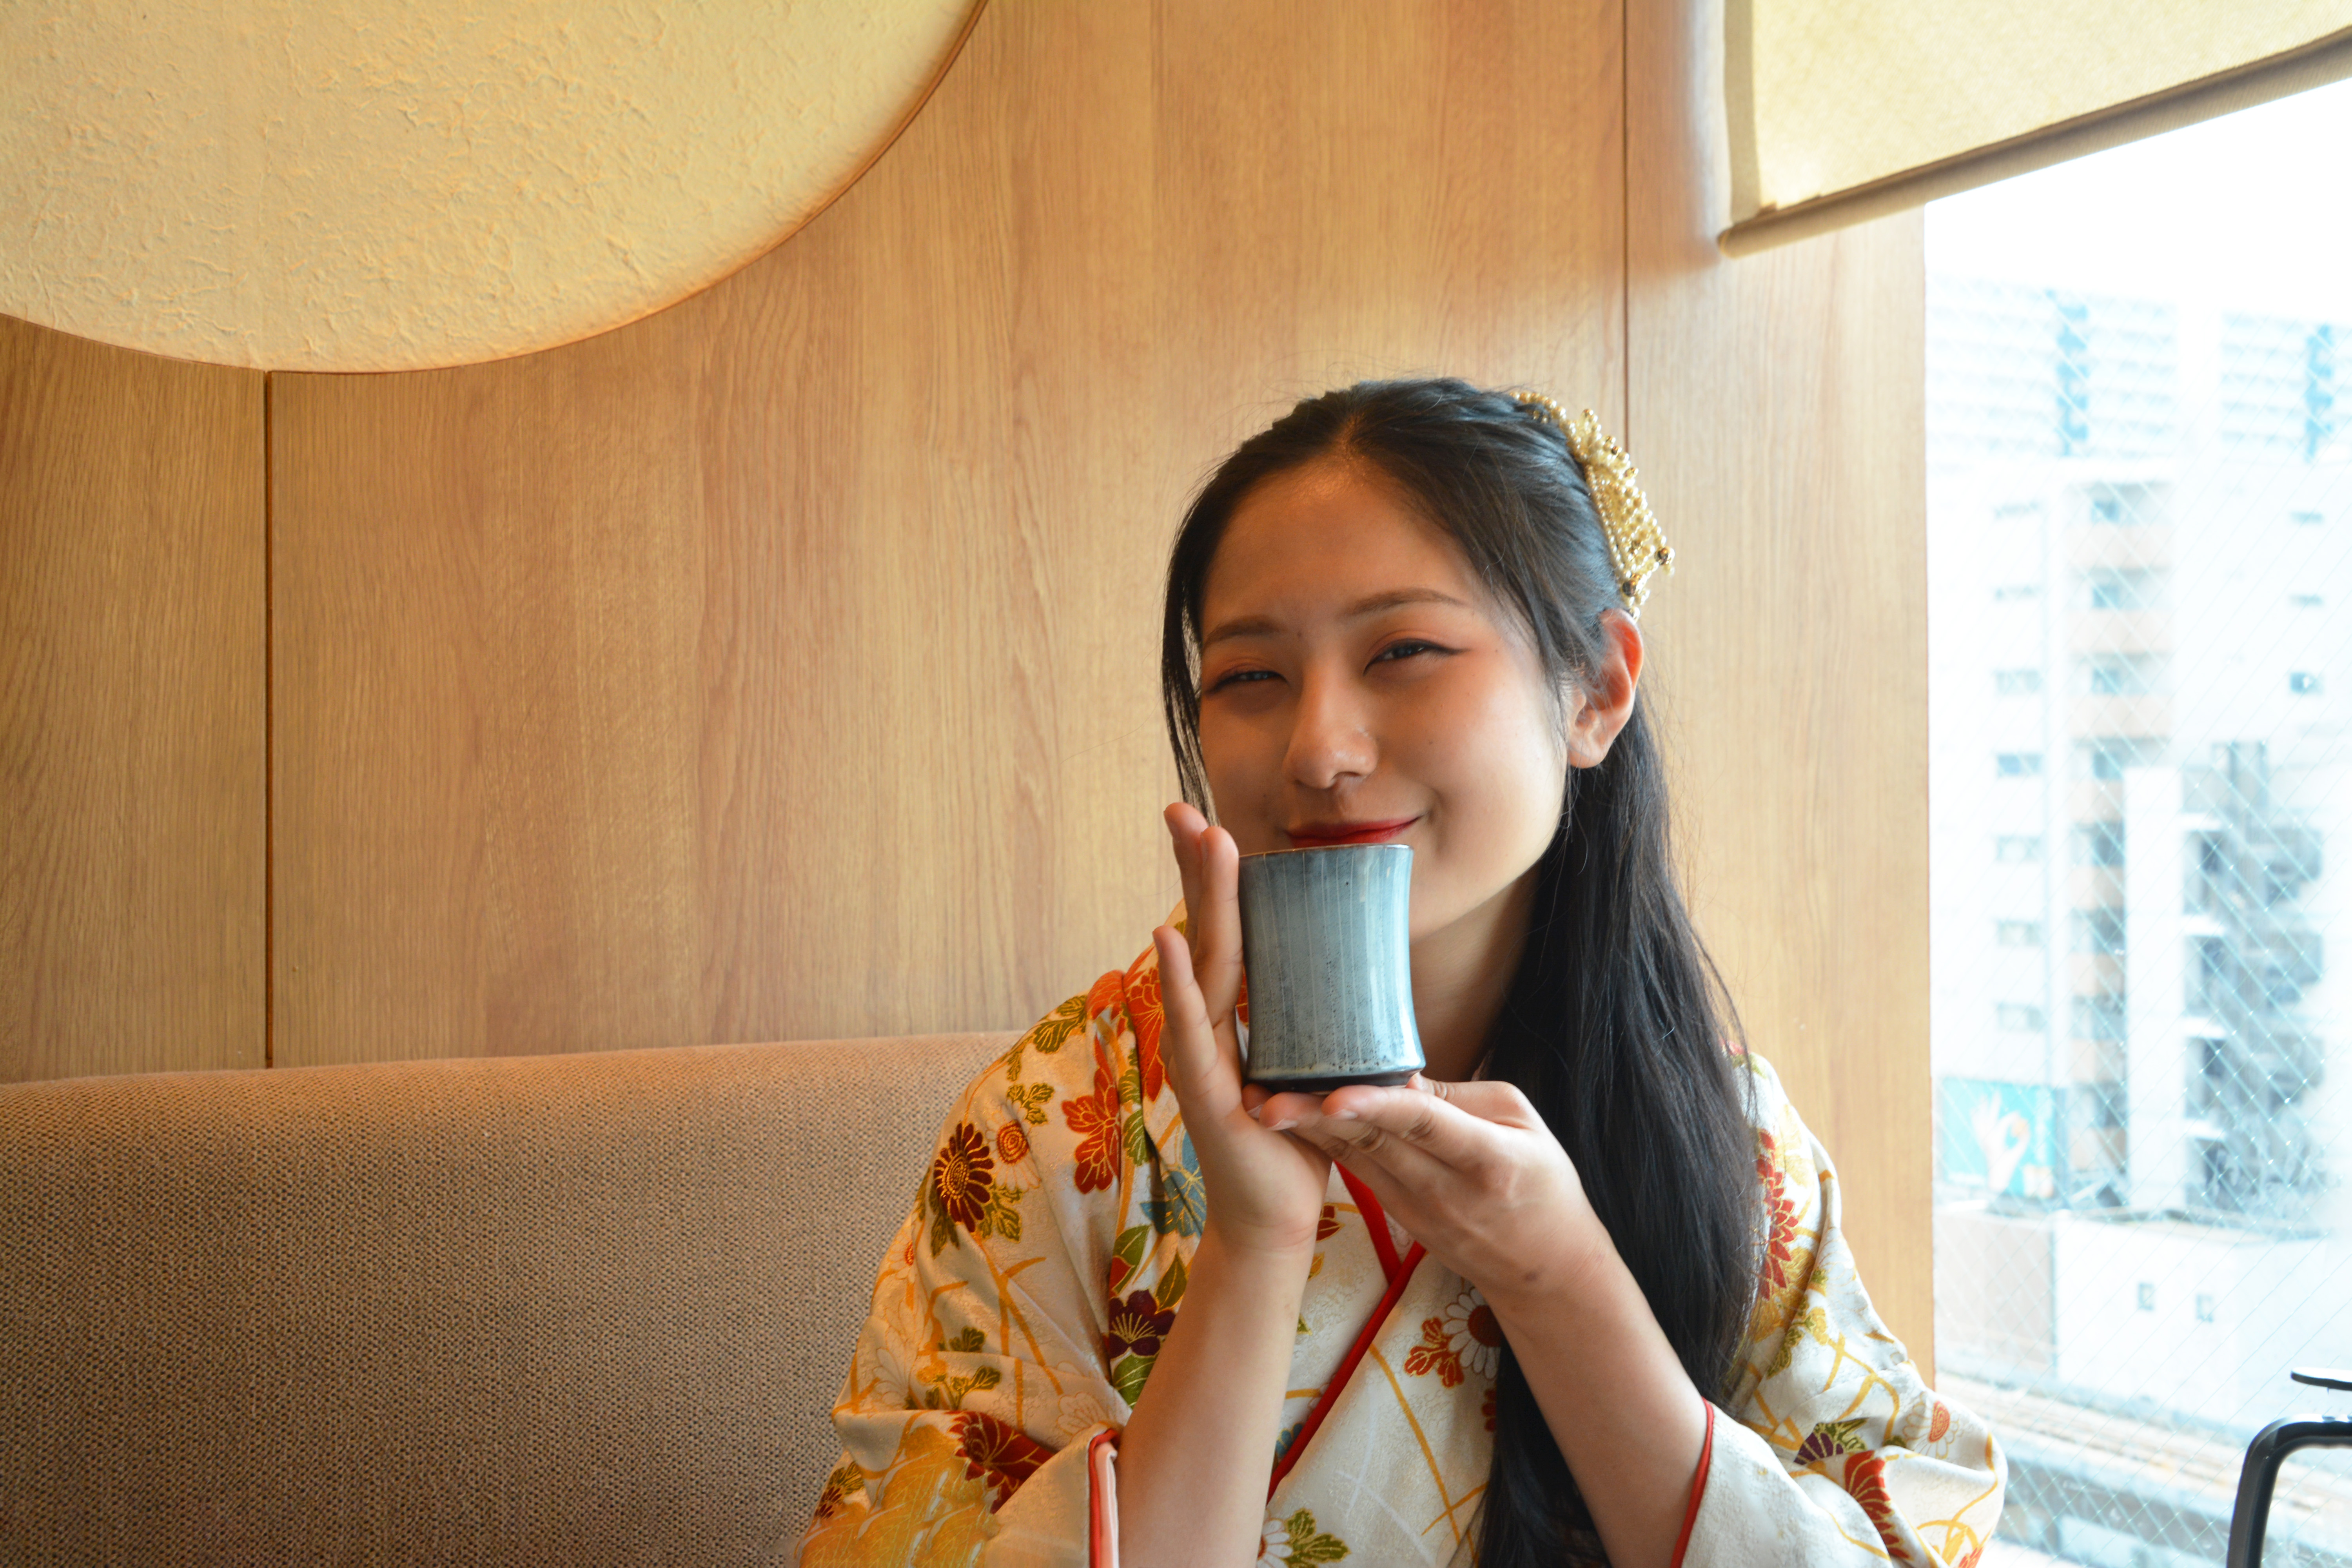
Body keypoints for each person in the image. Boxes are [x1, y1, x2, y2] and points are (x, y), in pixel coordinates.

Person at [793, 379, 2004, 1567]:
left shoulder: (1723, 1134)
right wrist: (1255, 1245)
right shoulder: (1056, 1120)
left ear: (1597, 690)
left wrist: (1559, 1276)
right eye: (1251, 676)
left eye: (1406, 651)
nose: (1320, 749)